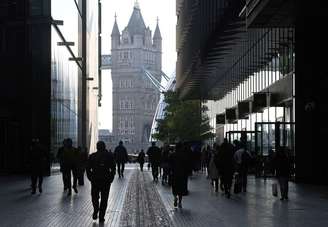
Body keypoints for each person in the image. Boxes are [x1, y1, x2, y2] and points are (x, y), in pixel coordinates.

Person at [86, 141, 116, 223]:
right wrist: (111, 177)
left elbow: (88, 168)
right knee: (104, 199)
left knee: (94, 197)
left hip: (95, 180)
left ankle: (96, 209)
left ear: (97, 147)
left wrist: (90, 177)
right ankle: (101, 216)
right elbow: (113, 168)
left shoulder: (92, 156)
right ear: (105, 146)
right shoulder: (109, 156)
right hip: (106, 180)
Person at [169, 142, 191, 208]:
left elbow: (170, 164)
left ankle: (175, 197)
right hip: (182, 174)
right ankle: (180, 202)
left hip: (174, 173)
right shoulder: (184, 155)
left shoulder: (172, 155)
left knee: (175, 187)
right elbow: (187, 165)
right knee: (181, 188)